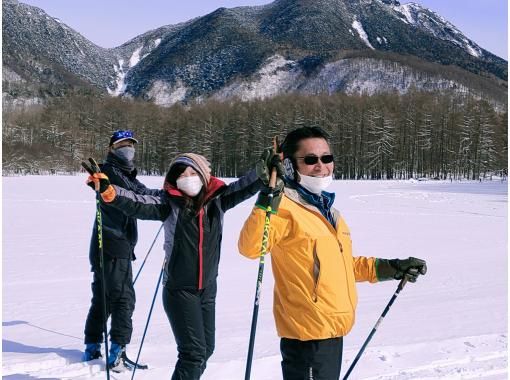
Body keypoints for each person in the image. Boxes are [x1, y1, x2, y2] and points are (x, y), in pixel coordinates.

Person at [238, 126, 427, 380]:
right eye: (310, 160)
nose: (321, 166)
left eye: (326, 158)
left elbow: (341, 266)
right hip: (307, 338)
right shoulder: (284, 207)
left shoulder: (330, 213)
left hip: (332, 333)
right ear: (291, 166)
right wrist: (267, 198)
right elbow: (250, 247)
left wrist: (391, 268)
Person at [86, 151, 275, 379]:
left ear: (205, 175)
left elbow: (244, 186)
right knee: (193, 354)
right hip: (180, 291)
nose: (187, 177)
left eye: (193, 172)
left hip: (207, 290)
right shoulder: (169, 203)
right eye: (181, 173)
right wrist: (110, 192)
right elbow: (137, 202)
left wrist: (262, 172)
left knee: (206, 350)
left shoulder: (218, 200)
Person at [83, 130, 160, 370]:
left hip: (105, 245)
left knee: (104, 298)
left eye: (131, 144)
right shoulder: (112, 173)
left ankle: (92, 346)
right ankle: (117, 352)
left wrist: (168, 195)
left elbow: (144, 191)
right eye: (122, 144)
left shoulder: (123, 173)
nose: (128, 148)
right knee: (123, 299)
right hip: (114, 245)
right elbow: (138, 198)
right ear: (112, 148)